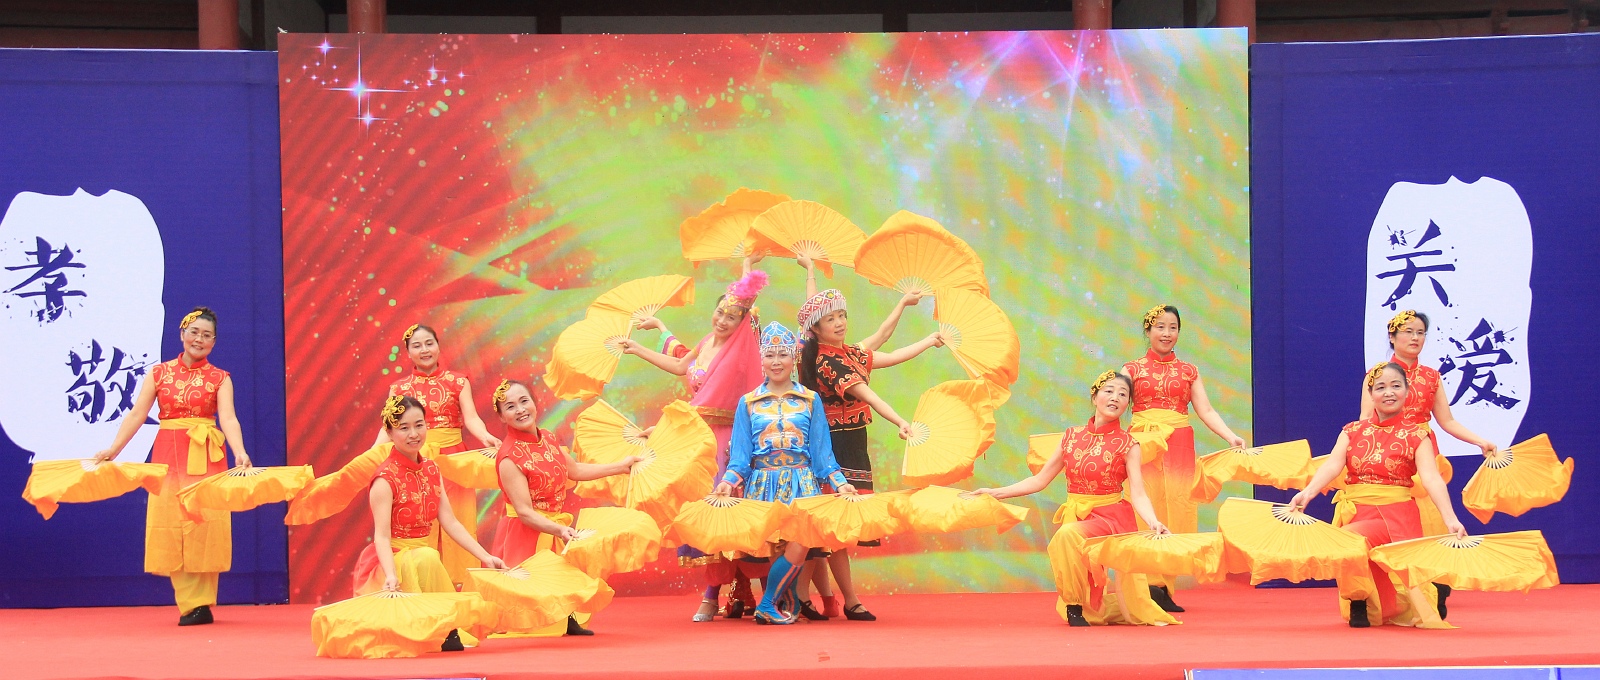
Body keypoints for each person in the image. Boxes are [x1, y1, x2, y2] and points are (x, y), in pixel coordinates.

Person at [618, 256, 768, 621]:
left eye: (731, 317)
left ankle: (746, 595)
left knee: (728, 511)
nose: (723, 320)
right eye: (719, 312)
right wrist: (642, 343)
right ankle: (727, 593)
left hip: (727, 440)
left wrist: (747, 267)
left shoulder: (741, 349)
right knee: (703, 512)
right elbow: (680, 364)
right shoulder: (707, 342)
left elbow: (748, 308)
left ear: (742, 323)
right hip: (698, 438)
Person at [794, 257, 943, 621]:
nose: (839, 322)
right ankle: (819, 598)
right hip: (834, 447)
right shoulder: (828, 362)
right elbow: (869, 396)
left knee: (831, 531)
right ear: (817, 329)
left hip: (852, 444)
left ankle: (826, 599)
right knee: (827, 529)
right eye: (831, 319)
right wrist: (901, 421)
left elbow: (884, 342)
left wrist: (914, 321)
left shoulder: (845, 352)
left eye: (841, 315)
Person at [973, 371, 1177, 627]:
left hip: (1110, 519)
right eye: (1109, 391)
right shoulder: (1071, 437)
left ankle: (1074, 605)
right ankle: (1147, 596)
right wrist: (995, 493)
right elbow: (1040, 480)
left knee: (1066, 535)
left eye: (1123, 394)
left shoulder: (1128, 444)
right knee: (1096, 611)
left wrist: (1153, 521)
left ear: (1127, 404)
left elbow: (1138, 493)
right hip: (1078, 515)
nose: (1115, 397)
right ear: (1094, 396)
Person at [94, 307, 253, 626]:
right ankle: (191, 603)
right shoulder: (159, 373)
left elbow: (228, 418)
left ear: (214, 342)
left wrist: (240, 452)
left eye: (207, 335)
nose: (199, 339)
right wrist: (113, 449)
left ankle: (201, 602)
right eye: (194, 332)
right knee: (171, 520)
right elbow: (137, 414)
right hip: (169, 453)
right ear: (182, 335)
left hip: (206, 454)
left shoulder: (221, 378)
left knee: (205, 522)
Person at [1291, 362, 1467, 628]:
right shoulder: (1352, 431)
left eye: (1396, 386)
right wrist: (1308, 492)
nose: (1389, 392)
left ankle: (1363, 600)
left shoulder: (1417, 435)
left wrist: (1450, 518)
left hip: (1397, 516)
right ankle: (1364, 602)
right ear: (1371, 394)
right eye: (1381, 387)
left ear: (1407, 392)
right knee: (1352, 546)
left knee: (1350, 539)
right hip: (1360, 510)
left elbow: (1431, 479)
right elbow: (1332, 465)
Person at [712, 322, 858, 625]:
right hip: (763, 484)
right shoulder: (748, 402)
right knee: (776, 550)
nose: (776, 362)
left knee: (800, 543)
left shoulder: (810, 400)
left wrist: (840, 483)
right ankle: (782, 605)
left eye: (782, 355)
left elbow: (822, 452)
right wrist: (728, 482)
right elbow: (740, 457)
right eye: (770, 355)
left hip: (802, 482)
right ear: (762, 360)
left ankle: (768, 604)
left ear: (794, 358)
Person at [352, 396, 506, 651]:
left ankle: (444, 628)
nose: (414, 434)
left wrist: (486, 557)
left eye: (419, 425)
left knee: (427, 556)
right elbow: (382, 537)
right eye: (404, 428)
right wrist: (391, 575)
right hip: (392, 561)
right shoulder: (384, 479)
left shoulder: (432, 469)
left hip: (424, 559)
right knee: (427, 557)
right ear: (389, 433)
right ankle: (446, 628)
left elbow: (451, 522)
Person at [490, 378, 638, 635]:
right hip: (525, 534)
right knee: (528, 613)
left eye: (524, 401)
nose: (520, 410)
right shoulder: (509, 457)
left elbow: (575, 470)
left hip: (552, 526)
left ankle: (567, 618)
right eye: (510, 407)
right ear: (502, 417)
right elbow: (524, 512)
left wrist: (620, 467)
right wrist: (558, 530)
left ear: (535, 403)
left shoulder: (547, 438)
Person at [1122, 304, 1245, 612]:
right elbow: (1113, 404)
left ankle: (1164, 587)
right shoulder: (1131, 369)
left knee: (1177, 511)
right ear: (1148, 330)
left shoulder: (1189, 371)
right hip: (1144, 446)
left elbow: (1206, 410)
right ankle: (1146, 587)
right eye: (1160, 327)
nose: (1166, 333)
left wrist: (1230, 436)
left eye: (1173, 327)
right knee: (1145, 508)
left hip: (1178, 447)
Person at [372, 324, 501, 588]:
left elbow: (471, 418)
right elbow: (387, 428)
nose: (424, 350)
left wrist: (485, 436)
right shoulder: (399, 388)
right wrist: (371, 455)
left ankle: (462, 584)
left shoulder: (458, 381)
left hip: (453, 462)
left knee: (458, 519)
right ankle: (424, 583)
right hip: (414, 462)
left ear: (438, 346)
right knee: (421, 522)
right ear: (408, 352)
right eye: (417, 345)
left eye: (429, 343)